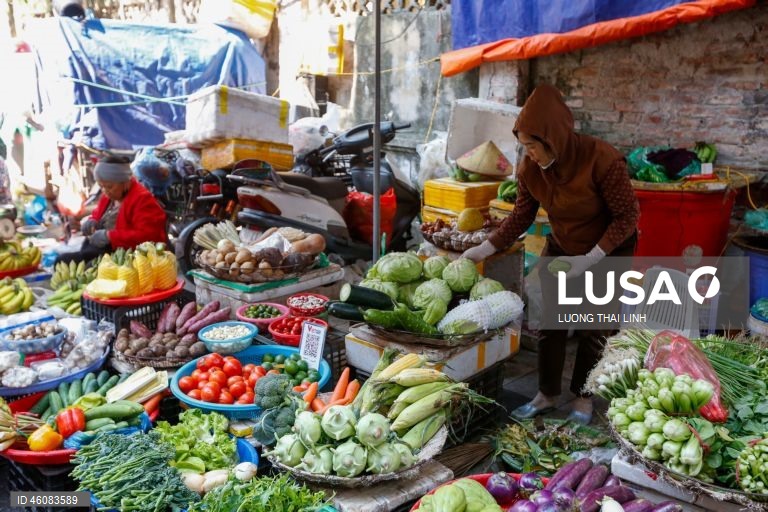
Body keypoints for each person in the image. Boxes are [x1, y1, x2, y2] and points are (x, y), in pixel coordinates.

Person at [463, 84, 639, 425]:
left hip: (608, 249)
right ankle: (547, 393)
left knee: (593, 327)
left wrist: (590, 259)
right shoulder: (530, 169)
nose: (528, 154)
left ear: (553, 138)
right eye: (524, 146)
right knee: (549, 320)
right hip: (563, 245)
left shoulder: (603, 160)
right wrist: (484, 249)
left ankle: (584, 396)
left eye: (533, 146)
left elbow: (628, 217)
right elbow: (521, 216)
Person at [56, 156, 167, 264]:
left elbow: (148, 236)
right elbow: (98, 213)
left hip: (128, 257)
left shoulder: (143, 200)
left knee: (89, 267)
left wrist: (109, 236)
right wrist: (93, 220)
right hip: (101, 251)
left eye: (109, 186)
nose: (105, 191)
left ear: (125, 182)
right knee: (62, 260)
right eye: (101, 186)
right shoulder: (110, 196)